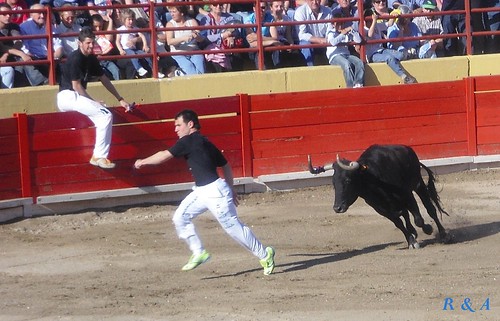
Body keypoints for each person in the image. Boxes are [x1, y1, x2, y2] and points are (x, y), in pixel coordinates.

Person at [133, 109, 276, 275]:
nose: (176, 129)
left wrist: (142, 162)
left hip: (215, 192)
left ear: (190, 124)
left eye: (179, 125)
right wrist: (231, 188)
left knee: (233, 228)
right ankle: (198, 252)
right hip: (203, 191)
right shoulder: (205, 142)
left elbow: (164, 155)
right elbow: (226, 165)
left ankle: (265, 255)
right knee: (180, 217)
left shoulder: (188, 141)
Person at [57, 27, 133, 169]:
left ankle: (98, 155)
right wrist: (92, 101)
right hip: (67, 96)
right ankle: (98, 156)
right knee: (105, 115)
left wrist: (120, 98)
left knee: (100, 115)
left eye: (92, 43)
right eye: (88, 43)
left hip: (74, 97)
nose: (91, 46)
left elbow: (104, 79)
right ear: (80, 43)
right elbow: (77, 86)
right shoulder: (75, 57)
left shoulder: (91, 58)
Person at [364, 8, 417, 83]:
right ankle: (404, 77)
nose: (371, 22)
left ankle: (410, 55)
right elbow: (369, 35)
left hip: (381, 50)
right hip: (372, 55)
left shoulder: (377, 26)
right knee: (389, 58)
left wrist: (393, 16)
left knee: (400, 55)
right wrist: (374, 21)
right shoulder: (363, 29)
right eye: (369, 20)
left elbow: (389, 24)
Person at [19, 3, 62, 85]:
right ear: (31, 14)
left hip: (51, 57)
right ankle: (41, 83)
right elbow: (25, 49)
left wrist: (54, 58)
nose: (42, 16)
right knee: (26, 60)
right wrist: (35, 60)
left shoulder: (50, 26)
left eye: (44, 13)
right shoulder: (24, 27)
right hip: (34, 58)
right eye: (39, 13)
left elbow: (58, 46)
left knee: (66, 60)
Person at [115, 8, 165, 78]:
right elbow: (117, 41)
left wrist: (145, 45)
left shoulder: (135, 28)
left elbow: (142, 36)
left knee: (146, 55)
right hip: (126, 49)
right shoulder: (120, 29)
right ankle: (139, 68)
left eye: (132, 19)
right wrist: (121, 50)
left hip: (134, 49)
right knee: (133, 56)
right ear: (124, 20)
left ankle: (155, 70)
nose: (131, 21)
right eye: (129, 19)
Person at [199, 1, 245, 73]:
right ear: (210, 6)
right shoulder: (205, 20)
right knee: (215, 61)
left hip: (227, 46)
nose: (218, 6)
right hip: (213, 48)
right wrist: (222, 36)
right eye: (215, 4)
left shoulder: (229, 17)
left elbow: (236, 30)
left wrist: (230, 37)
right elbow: (206, 38)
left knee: (237, 56)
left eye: (220, 4)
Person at [326, 14, 364, 87]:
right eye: (338, 24)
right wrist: (342, 34)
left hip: (346, 54)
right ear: (333, 25)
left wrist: (352, 31)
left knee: (359, 62)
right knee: (347, 64)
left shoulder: (346, 31)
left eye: (342, 23)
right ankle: (350, 87)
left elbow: (358, 41)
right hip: (334, 56)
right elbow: (332, 42)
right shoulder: (331, 32)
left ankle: (358, 84)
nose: (340, 26)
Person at [165, 4, 205, 75]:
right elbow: (169, 41)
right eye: (171, 12)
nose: (171, 14)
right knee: (189, 67)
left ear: (182, 13)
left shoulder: (192, 21)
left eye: (174, 12)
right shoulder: (170, 24)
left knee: (200, 64)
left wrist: (196, 36)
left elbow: (201, 39)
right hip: (178, 53)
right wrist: (183, 39)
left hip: (194, 51)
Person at [294, 0, 332, 66]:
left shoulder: (328, 11)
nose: (314, 2)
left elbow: (331, 30)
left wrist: (327, 39)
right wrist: (318, 40)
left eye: (317, 0)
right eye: (311, 0)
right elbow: (301, 35)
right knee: (305, 44)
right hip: (310, 42)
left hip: (325, 42)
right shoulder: (300, 12)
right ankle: (310, 70)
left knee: (334, 42)